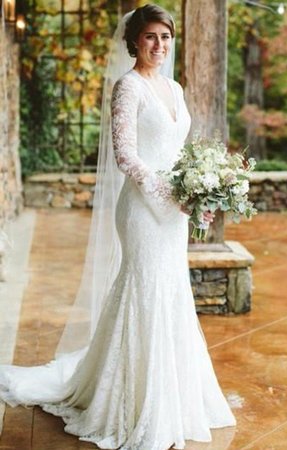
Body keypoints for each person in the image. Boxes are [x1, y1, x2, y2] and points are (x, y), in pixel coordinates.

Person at [0, 4, 236, 449]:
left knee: (171, 292)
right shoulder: (128, 87)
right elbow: (126, 155)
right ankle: (131, 401)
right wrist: (171, 195)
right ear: (134, 40)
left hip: (174, 214)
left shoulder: (175, 89)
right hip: (143, 211)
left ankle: (176, 395)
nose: (159, 45)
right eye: (150, 37)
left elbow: (179, 152)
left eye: (165, 37)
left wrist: (196, 191)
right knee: (143, 289)